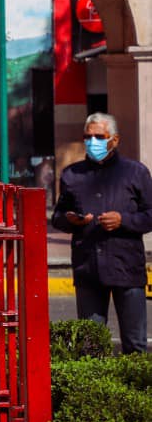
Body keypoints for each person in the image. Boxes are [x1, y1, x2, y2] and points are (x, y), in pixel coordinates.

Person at [52, 113, 152, 353]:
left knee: (135, 344)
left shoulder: (135, 172)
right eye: (88, 137)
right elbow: (58, 216)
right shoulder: (71, 175)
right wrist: (71, 220)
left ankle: (136, 389)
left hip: (126, 267)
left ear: (114, 140)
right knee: (90, 346)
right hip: (89, 268)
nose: (92, 142)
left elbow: (150, 214)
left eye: (99, 136)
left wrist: (123, 220)